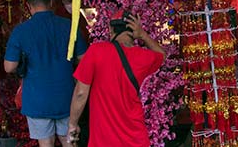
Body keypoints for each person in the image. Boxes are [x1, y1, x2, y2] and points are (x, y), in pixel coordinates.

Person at [4, 0, 87, 147]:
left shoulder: (21, 31)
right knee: (69, 141)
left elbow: (9, 67)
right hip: (66, 97)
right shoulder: (69, 26)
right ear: (50, 2)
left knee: (46, 144)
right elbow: (84, 60)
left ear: (28, 5)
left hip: (37, 100)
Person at [67, 11, 165, 147]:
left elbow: (80, 93)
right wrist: (143, 34)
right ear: (133, 31)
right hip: (136, 139)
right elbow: (161, 55)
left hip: (104, 141)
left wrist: (73, 124)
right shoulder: (143, 57)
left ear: (111, 29)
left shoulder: (96, 51)